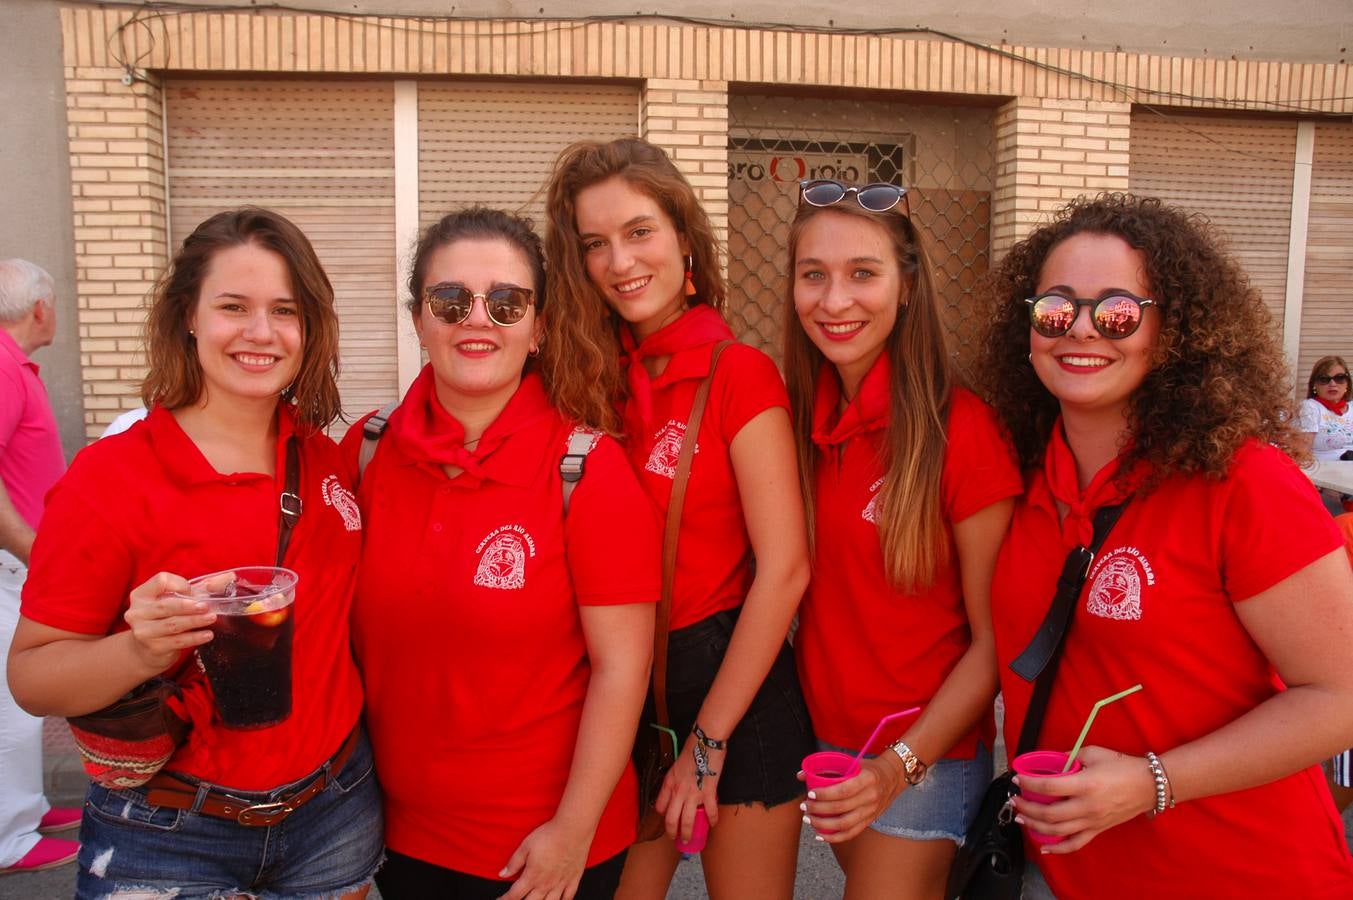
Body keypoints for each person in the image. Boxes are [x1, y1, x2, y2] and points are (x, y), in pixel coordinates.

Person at [978, 193, 1353, 899]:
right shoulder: (1021, 478)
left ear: (1172, 332)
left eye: (1116, 311)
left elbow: (1340, 696)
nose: (1081, 331)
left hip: (1237, 873)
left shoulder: (1243, 482)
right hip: (1059, 873)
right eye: (1055, 310)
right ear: (1025, 330)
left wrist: (1153, 783)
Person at [8, 209, 382, 897]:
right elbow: (32, 678)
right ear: (188, 315)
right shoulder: (110, 480)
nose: (261, 333)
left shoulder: (329, 461)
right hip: (167, 832)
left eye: (284, 310)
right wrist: (138, 650)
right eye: (233, 307)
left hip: (334, 813)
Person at [345, 207, 659, 900]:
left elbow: (622, 669)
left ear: (539, 325)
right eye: (450, 300)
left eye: (506, 302)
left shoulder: (586, 469)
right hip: (390, 833)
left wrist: (571, 833)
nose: (476, 319)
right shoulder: (365, 453)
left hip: (537, 848)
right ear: (419, 318)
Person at [545, 137, 816, 900]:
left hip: (730, 685)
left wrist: (708, 742)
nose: (619, 261)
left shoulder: (739, 374)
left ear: (684, 240)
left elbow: (785, 567)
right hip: (615, 689)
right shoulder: (582, 379)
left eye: (638, 232)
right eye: (594, 244)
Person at [782, 181, 1019, 898]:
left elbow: (993, 643)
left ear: (906, 286)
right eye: (812, 274)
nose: (833, 300)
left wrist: (898, 766)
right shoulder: (799, 420)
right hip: (828, 748)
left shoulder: (962, 431)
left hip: (924, 762)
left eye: (863, 273)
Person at [0, 258, 81, 874]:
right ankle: (11, 835)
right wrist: (30, 546)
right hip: (11, 561)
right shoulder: (2, 365)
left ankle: (25, 805)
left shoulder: (14, 363)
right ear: (40, 308)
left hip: (21, 558)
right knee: (11, 699)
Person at [1297, 355, 1353, 461]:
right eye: (1324, 379)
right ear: (1314, 385)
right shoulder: (1310, 408)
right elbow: (1302, 454)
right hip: (1325, 474)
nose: (1332, 384)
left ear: (1347, 383)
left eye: (1339, 378)